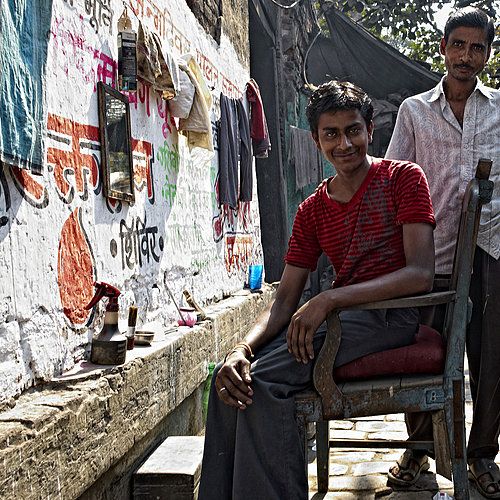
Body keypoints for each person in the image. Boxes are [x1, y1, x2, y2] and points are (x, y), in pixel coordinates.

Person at [198, 80, 436, 500]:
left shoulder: (403, 178)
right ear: (316, 139)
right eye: (331, 134)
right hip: (341, 320)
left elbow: (420, 274)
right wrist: (241, 348)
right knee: (228, 378)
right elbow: (284, 300)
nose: (344, 144)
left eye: (353, 130)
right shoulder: (311, 210)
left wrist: (328, 299)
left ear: (370, 130)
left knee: (262, 382)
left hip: (389, 316)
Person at [385, 7, 500, 497]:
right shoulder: (414, 111)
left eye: (477, 48)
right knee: (421, 351)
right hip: (430, 254)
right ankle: (421, 446)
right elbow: (392, 181)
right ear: (443, 48)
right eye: (458, 45)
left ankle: (481, 454)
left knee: (491, 357)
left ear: (488, 54)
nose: (466, 56)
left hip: (491, 248)